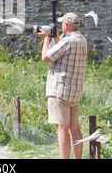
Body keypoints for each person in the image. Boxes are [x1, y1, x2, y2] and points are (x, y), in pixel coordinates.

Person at [35, 12, 87, 159]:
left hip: (59, 91)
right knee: (74, 128)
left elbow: (46, 58)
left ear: (66, 25)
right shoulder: (81, 39)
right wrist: (56, 38)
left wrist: (46, 39)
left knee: (62, 128)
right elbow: (63, 52)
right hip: (74, 91)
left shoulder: (67, 41)